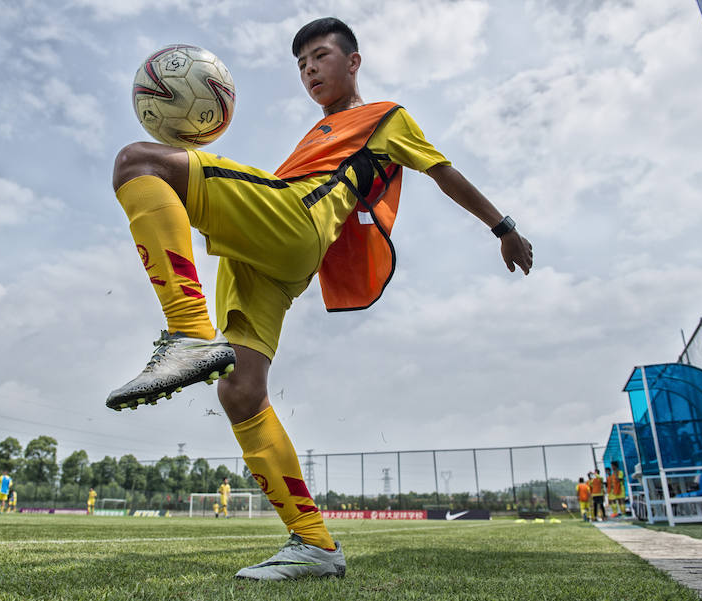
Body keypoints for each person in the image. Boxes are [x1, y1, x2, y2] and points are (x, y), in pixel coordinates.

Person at [105, 17, 533, 580]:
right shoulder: (310, 139)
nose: (309, 68)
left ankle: (187, 331)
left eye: (320, 55)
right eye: (301, 63)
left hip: (296, 221)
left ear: (352, 62)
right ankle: (313, 544)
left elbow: (443, 172)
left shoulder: (385, 117)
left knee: (137, 161)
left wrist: (502, 227)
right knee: (239, 392)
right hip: (260, 263)